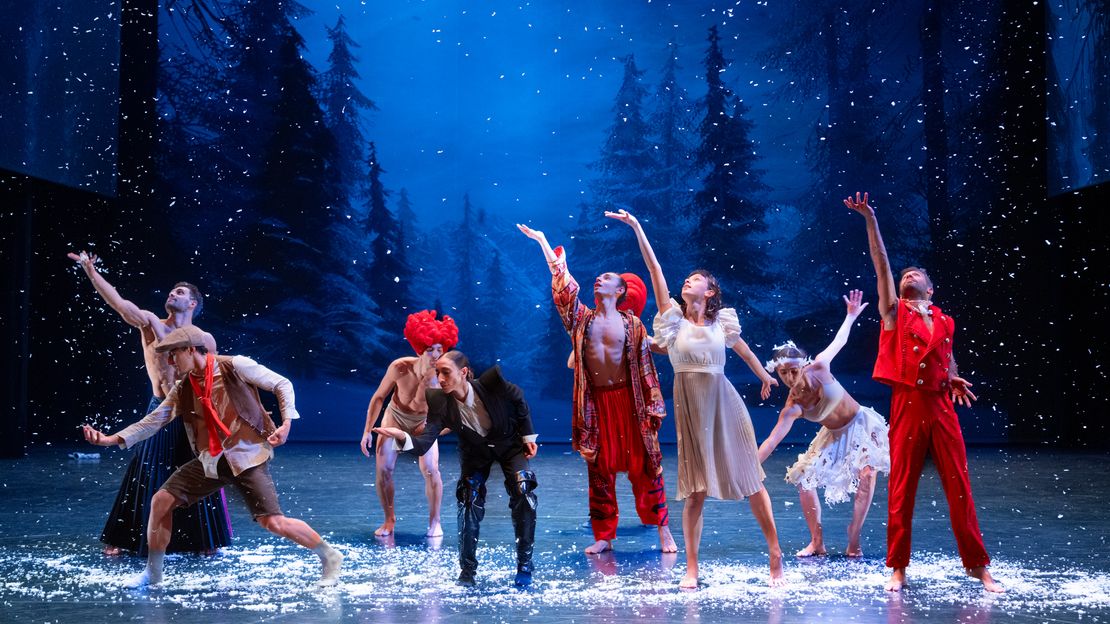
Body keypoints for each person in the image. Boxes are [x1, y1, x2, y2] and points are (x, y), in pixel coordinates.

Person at [81, 326, 343, 587]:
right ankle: (154, 574)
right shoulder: (183, 387)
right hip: (212, 461)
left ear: (190, 349)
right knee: (160, 501)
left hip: (246, 457)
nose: (170, 362)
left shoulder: (234, 365)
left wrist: (286, 422)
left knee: (272, 522)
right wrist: (110, 439)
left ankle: (329, 556)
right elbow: (154, 420)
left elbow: (282, 384)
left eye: (174, 354)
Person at [608, 209, 785, 588]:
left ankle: (775, 552)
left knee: (752, 480)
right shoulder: (673, 320)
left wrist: (764, 375)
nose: (687, 280)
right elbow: (655, 269)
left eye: (696, 279)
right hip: (690, 408)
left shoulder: (723, 323)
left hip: (725, 404)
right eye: (687, 279)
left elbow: (744, 351)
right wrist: (637, 226)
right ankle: (691, 568)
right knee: (695, 491)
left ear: (709, 292)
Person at [844, 191, 1003, 593]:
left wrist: (953, 377)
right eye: (905, 276)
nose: (908, 275)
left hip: (941, 405)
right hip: (909, 404)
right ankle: (897, 566)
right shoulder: (894, 312)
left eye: (916, 275)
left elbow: (947, 357)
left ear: (930, 290)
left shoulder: (946, 321)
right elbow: (881, 264)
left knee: (959, 486)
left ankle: (978, 566)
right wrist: (871, 220)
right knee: (902, 486)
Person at [517, 223, 677, 556]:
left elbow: (646, 369)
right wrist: (544, 241)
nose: (598, 280)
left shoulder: (633, 325)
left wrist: (653, 406)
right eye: (598, 278)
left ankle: (663, 530)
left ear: (620, 291)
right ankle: (605, 535)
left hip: (629, 403)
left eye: (606, 278)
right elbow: (564, 288)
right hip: (597, 404)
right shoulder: (582, 321)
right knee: (599, 471)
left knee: (646, 468)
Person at [67, 251, 231, 556]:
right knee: (146, 470)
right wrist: (91, 271)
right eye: (171, 291)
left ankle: (203, 540)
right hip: (160, 407)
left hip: (192, 410)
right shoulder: (152, 324)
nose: (172, 294)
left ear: (192, 304)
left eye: (179, 292)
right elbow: (120, 303)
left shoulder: (204, 339)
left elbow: (213, 380)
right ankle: (127, 537)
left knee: (200, 471)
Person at [374, 351, 538, 588]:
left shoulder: (491, 382)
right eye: (437, 372)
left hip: (509, 446)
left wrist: (527, 435)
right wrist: (402, 436)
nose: (440, 378)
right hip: (476, 453)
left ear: (463, 372)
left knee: (523, 491)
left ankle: (524, 565)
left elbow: (518, 398)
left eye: (446, 372)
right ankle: (467, 570)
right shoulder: (439, 401)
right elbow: (423, 444)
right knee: (468, 498)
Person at [757, 290, 891, 558]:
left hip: (862, 425)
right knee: (804, 479)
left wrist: (850, 316)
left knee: (867, 475)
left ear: (802, 365)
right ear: (777, 372)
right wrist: (751, 466)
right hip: (834, 434)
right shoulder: (793, 406)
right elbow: (772, 440)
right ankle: (817, 541)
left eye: (793, 370)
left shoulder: (819, 367)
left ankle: (854, 536)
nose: (790, 377)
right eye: (783, 373)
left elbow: (839, 341)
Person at [360, 310, 458, 538]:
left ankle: (435, 522)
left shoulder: (443, 378)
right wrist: (366, 431)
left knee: (431, 470)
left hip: (424, 422)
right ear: (419, 348)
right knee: (384, 470)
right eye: (430, 349)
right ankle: (389, 520)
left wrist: (432, 431)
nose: (436, 354)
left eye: (440, 349)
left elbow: (455, 416)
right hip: (395, 416)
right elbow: (378, 397)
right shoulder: (400, 367)